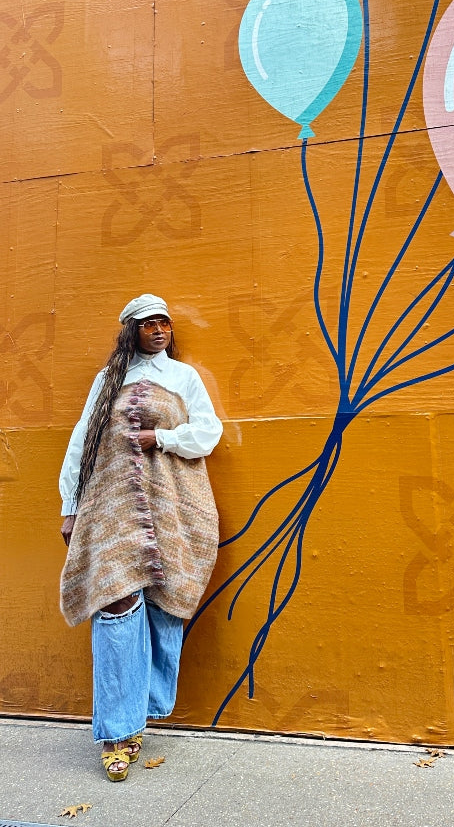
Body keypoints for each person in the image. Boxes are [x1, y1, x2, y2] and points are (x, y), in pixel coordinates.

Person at [59, 294, 223, 782]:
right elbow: (83, 439)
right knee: (115, 603)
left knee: (161, 604)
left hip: (171, 505)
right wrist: (70, 504)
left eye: (164, 323)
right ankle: (115, 732)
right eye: (148, 324)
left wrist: (162, 439)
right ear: (130, 330)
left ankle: (137, 718)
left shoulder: (183, 378)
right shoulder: (108, 379)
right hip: (111, 508)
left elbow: (208, 432)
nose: (158, 331)